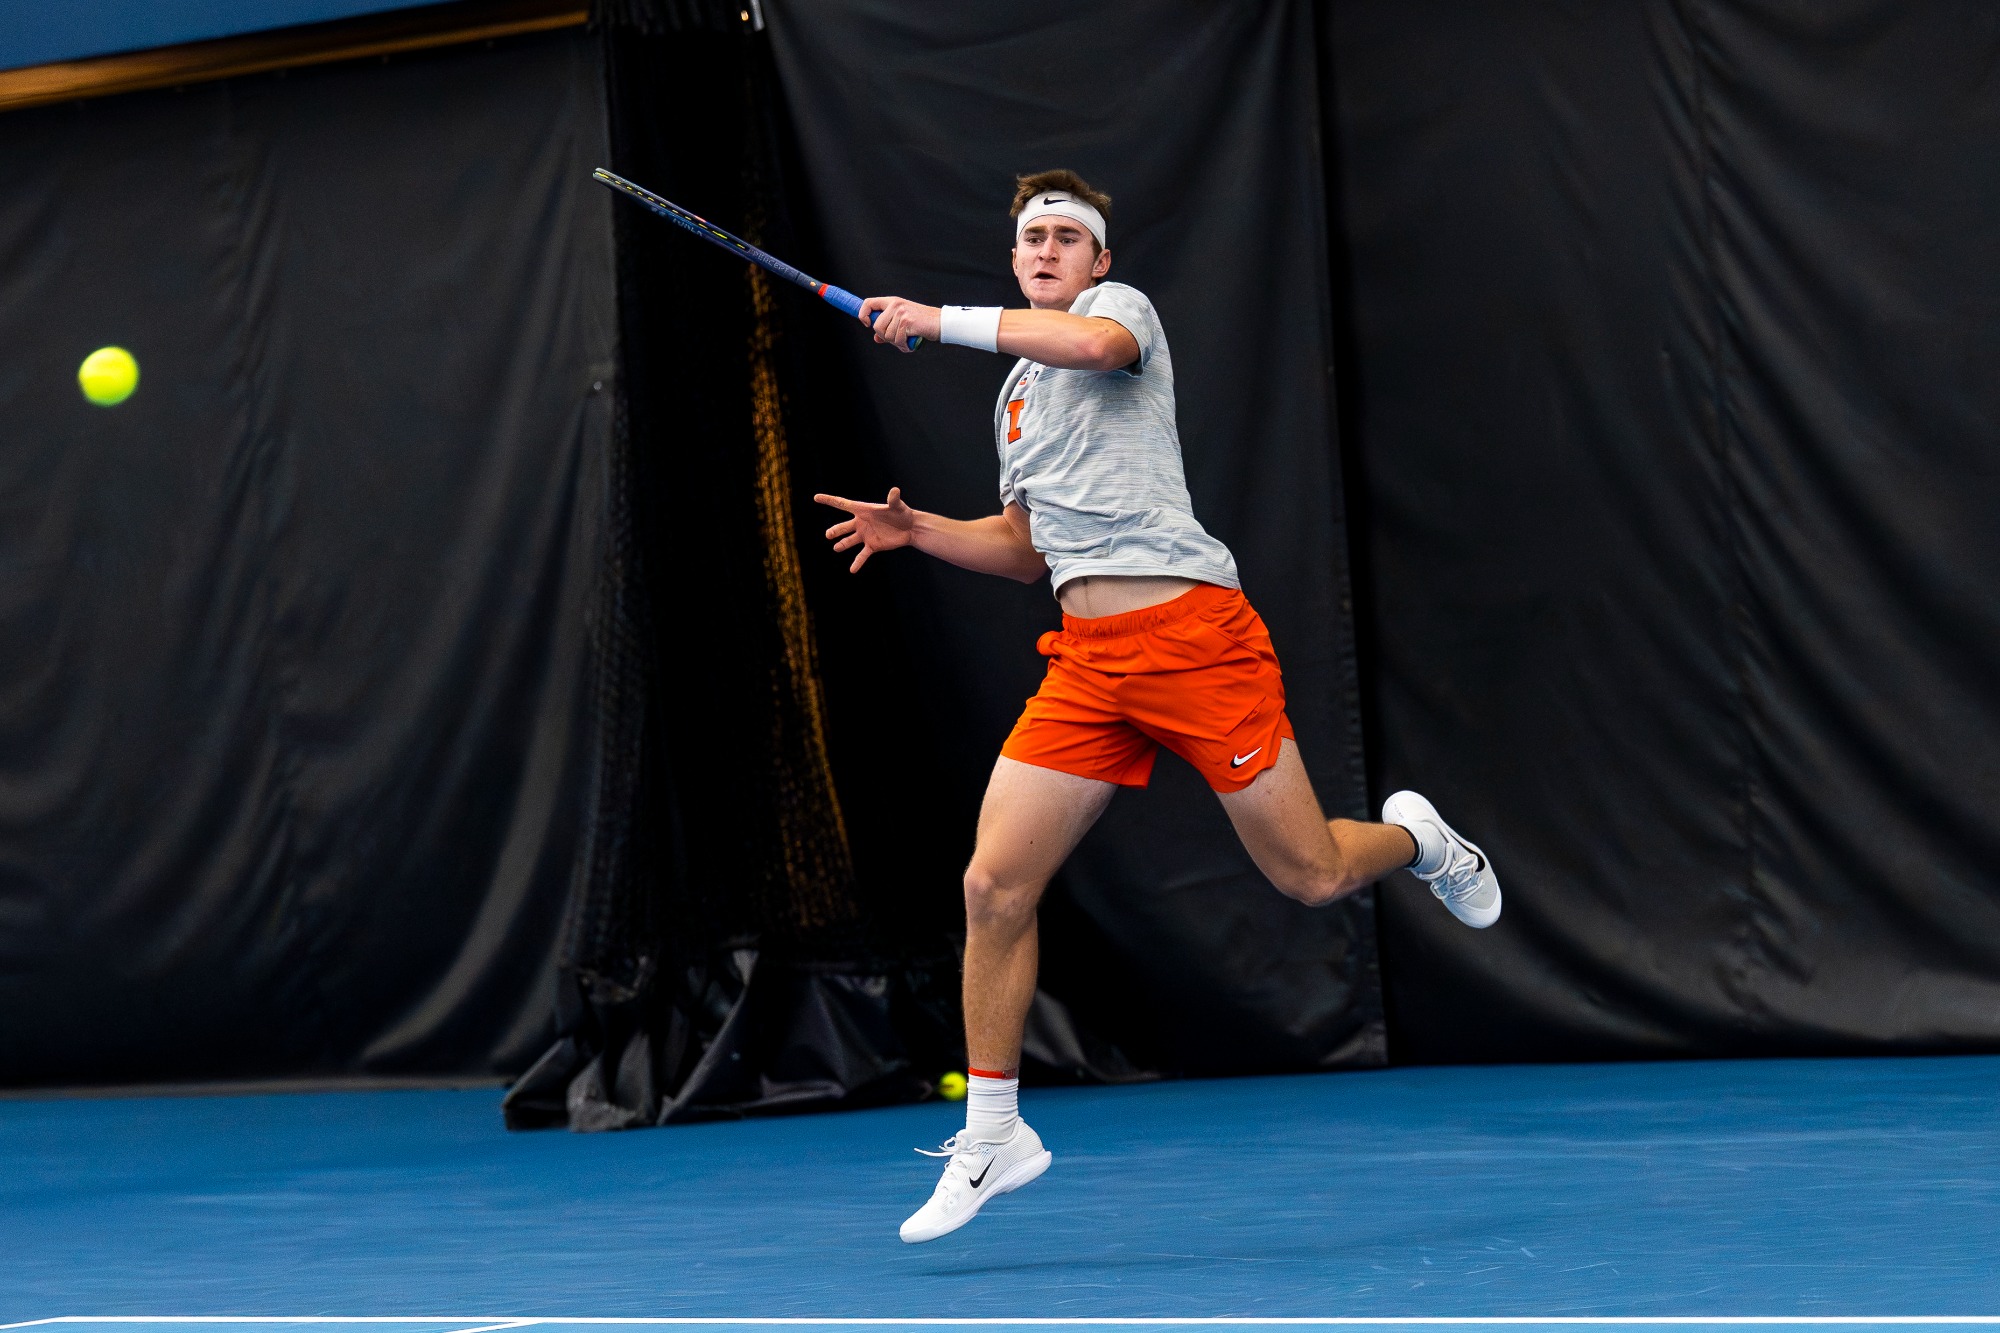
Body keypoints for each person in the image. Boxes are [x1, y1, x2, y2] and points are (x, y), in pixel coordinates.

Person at [814, 170, 1500, 1245]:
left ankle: (1415, 840)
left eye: (1062, 237)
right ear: (1011, 261)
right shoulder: (1013, 394)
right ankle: (994, 1130)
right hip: (1084, 661)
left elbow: (1087, 351)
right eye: (1027, 238)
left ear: (1094, 258)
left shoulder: (1115, 315)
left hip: (1191, 638)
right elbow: (1025, 546)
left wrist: (934, 322)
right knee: (992, 884)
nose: (1043, 250)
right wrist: (921, 533)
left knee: (1310, 873)